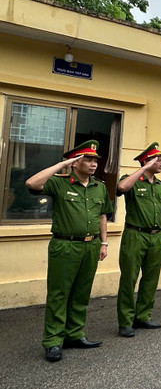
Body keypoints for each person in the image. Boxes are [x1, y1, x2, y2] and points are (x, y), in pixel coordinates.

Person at [25, 141, 111, 362]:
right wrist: (62, 165)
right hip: (65, 245)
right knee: (59, 294)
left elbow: (103, 215)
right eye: (88, 159)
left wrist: (104, 243)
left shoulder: (99, 187)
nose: (93, 164)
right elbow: (32, 183)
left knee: (81, 292)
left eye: (95, 160)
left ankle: (75, 334)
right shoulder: (59, 183)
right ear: (74, 162)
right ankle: (53, 340)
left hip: (91, 245)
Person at [116, 143, 161, 338]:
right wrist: (144, 168)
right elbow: (121, 188)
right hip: (135, 235)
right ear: (146, 161)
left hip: (156, 236)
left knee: (151, 278)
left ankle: (143, 316)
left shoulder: (160, 185)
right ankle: (125, 321)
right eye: (158, 160)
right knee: (129, 278)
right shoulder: (131, 180)